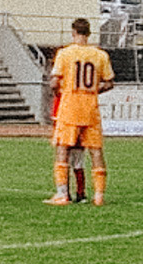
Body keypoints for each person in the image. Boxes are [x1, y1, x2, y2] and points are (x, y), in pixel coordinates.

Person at [48, 16, 113, 206]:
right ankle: (99, 195)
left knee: (62, 149)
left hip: (70, 107)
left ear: (74, 32)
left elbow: (54, 81)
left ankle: (62, 194)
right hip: (90, 108)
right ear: (89, 33)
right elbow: (109, 82)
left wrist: (59, 91)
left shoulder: (65, 53)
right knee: (96, 152)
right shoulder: (100, 55)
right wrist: (94, 90)